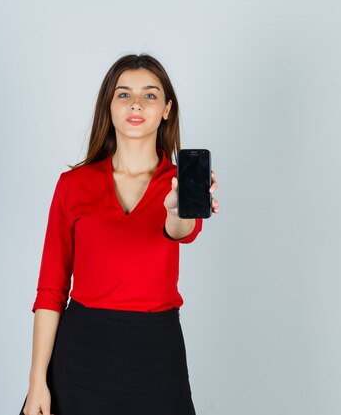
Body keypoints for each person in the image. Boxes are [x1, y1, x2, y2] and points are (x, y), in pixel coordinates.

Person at [20, 53, 220, 415]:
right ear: (108, 107)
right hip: (80, 351)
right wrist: (37, 382)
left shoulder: (181, 186)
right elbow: (51, 289)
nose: (137, 104)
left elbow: (180, 230)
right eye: (124, 94)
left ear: (166, 109)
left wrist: (177, 207)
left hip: (157, 353)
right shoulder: (73, 185)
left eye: (150, 94)